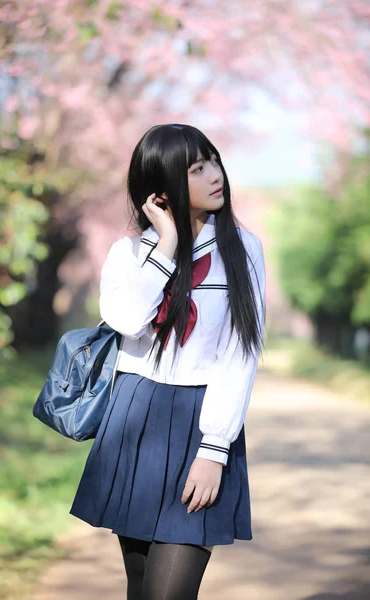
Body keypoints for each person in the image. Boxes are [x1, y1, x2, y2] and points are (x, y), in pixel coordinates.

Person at [70, 123, 266, 599]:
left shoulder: (242, 252)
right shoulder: (129, 253)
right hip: (135, 418)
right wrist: (167, 245)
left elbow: (240, 356)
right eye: (196, 169)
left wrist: (214, 449)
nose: (215, 175)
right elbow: (126, 319)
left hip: (202, 421)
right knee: (139, 585)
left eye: (213, 161)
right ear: (161, 188)